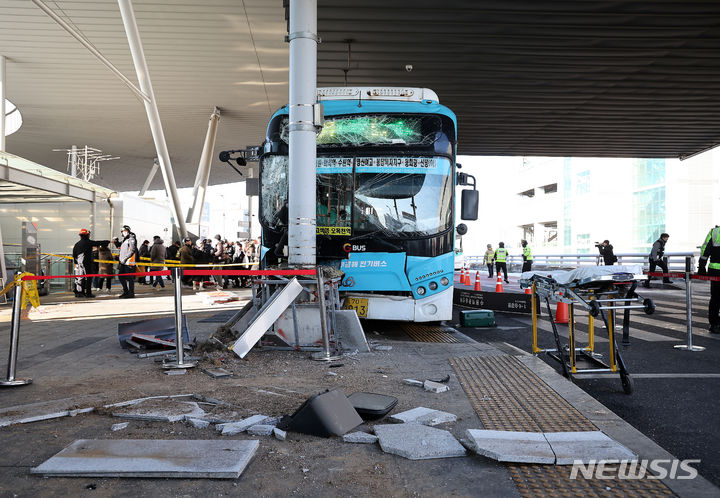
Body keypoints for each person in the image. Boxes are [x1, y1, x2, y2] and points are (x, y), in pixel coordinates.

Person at [72, 229, 109, 298]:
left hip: (77, 264)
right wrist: (108, 241)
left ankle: (79, 292)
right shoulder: (88, 242)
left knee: (78, 278)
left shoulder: (77, 244)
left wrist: (76, 265)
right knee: (88, 278)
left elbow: (74, 255)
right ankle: (88, 293)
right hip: (86, 264)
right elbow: (98, 243)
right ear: (87, 235)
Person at [697, 226, 720, 333]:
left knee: (715, 298)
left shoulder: (715, 231)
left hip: (715, 270)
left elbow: (705, 249)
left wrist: (701, 267)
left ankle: (714, 324)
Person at [116, 225, 137, 298]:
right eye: (123, 231)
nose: (124, 233)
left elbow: (132, 250)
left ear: (128, 231)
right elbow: (120, 247)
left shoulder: (131, 238)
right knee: (121, 277)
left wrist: (125, 258)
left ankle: (131, 293)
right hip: (123, 262)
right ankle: (126, 291)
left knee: (130, 278)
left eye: (125, 231)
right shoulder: (125, 240)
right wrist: (116, 242)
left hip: (128, 262)